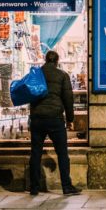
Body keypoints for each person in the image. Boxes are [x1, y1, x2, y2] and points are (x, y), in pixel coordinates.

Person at [29, 50, 80, 196]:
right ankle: (66, 186)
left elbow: (30, 94)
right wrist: (70, 119)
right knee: (62, 153)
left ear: (45, 60)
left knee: (35, 153)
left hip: (38, 118)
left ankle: (34, 187)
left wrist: (32, 114)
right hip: (55, 119)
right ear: (57, 61)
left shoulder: (36, 74)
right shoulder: (62, 75)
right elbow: (68, 98)